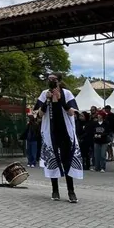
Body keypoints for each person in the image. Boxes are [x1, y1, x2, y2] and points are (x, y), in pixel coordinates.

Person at [33, 73, 82, 203]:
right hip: (51, 132)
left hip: (65, 132)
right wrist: (47, 101)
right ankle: (55, 190)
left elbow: (72, 112)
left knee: (67, 160)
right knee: (53, 160)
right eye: (49, 79)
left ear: (59, 81)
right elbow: (38, 114)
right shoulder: (44, 94)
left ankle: (71, 191)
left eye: (54, 80)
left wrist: (60, 100)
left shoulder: (67, 93)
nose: (51, 82)